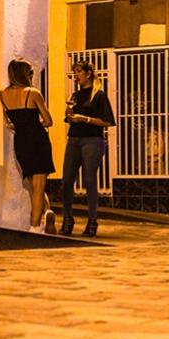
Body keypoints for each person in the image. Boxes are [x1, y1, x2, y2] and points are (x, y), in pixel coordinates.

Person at [0, 59, 56, 234]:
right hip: (37, 139)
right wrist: (34, 123)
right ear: (26, 74)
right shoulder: (33, 93)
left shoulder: (2, 95)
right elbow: (48, 121)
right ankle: (35, 226)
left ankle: (47, 211)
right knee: (39, 186)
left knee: (32, 185)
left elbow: (9, 122)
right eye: (31, 73)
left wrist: (19, 125)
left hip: (21, 141)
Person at [61, 60, 116, 237]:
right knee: (66, 180)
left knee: (90, 180)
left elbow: (107, 121)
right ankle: (68, 218)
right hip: (74, 139)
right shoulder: (76, 95)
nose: (75, 75)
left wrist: (85, 119)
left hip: (92, 140)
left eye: (78, 72)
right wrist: (69, 115)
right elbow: (70, 118)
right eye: (74, 72)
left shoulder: (98, 95)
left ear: (88, 74)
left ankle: (92, 220)